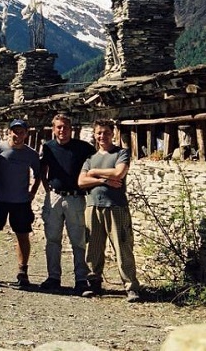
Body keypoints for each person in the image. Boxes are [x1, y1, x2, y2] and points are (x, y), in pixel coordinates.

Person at [78, 119, 142, 302]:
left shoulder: (121, 153)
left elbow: (119, 173)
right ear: (94, 134)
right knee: (93, 248)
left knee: (123, 247)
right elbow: (81, 182)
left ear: (112, 133)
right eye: (99, 133)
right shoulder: (90, 158)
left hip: (116, 206)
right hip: (93, 206)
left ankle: (131, 287)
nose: (102, 136)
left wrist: (93, 172)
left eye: (106, 132)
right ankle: (94, 283)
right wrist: (102, 180)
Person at [39, 113, 96, 296]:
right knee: (52, 239)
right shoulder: (48, 147)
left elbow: (96, 163)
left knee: (78, 240)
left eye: (65, 127)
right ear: (54, 129)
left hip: (75, 198)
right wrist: (45, 186)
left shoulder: (83, 148)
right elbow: (42, 169)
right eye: (58, 127)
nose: (62, 130)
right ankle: (53, 277)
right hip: (54, 197)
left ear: (72, 129)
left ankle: (81, 279)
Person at [0, 119, 42, 289]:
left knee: (22, 235)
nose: (18, 135)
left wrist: (33, 192)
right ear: (9, 132)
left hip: (20, 201)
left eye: (21, 132)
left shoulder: (31, 154)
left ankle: (23, 271)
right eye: (15, 131)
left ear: (26, 134)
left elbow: (39, 174)